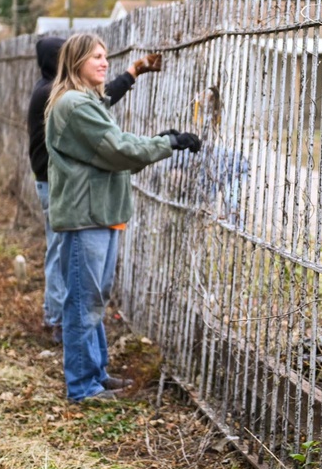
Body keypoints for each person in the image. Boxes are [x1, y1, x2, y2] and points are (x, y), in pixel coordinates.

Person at [44, 33, 201, 403]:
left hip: (100, 213)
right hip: (86, 216)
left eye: (105, 56)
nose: (104, 63)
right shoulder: (75, 105)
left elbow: (111, 146)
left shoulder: (87, 101)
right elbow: (116, 150)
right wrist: (168, 144)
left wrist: (155, 140)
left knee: (93, 301)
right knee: (83, 303)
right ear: (76, 61)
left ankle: (95, 374)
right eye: (95, 57)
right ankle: (82, 387)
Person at [27, 36, 163, 342]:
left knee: (76, 276)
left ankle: (62, 323)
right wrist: (131, 74)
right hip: (66, 188)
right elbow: (108, 131)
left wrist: (132, 73)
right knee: (69, 270)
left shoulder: (54, 91)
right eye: (92, 56)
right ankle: (57, 321)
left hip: (62, 184)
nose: (100, 62)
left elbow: (100, 104)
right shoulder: (60, 95)